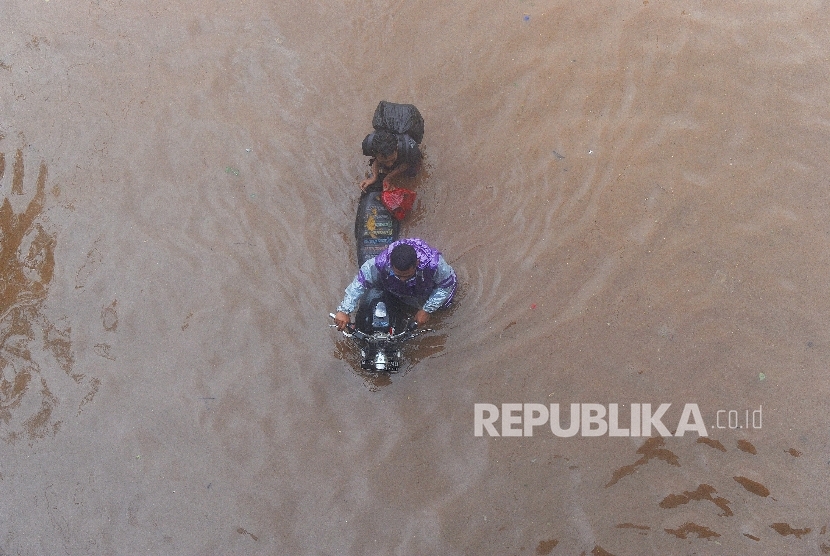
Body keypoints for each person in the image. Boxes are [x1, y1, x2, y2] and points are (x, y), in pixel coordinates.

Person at [334, 238, 456, 330]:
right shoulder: (380, 263)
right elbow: (360, 282)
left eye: (407, 275)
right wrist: (344, 310)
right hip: (396, 290)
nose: (402, 279)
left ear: (417, 263)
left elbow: (446, 287)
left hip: (425, 288)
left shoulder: (434, 265)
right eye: (399, 275)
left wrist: (427, 310)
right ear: (390, 264)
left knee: (443, 308)